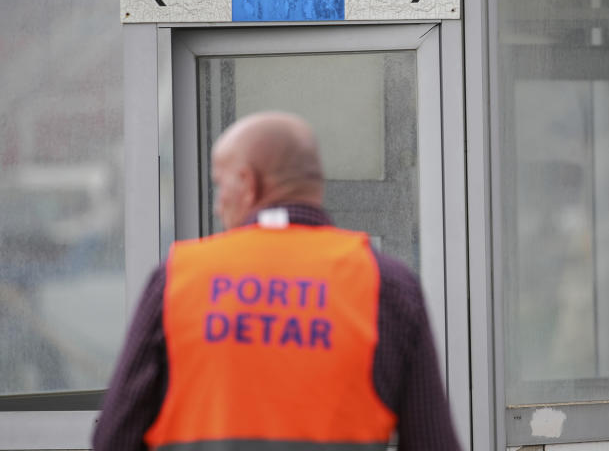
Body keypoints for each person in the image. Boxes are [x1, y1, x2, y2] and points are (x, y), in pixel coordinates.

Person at [93, 111, 461, 451]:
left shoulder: (177, 280)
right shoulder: (387, 287)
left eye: (220, 185)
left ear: (247, 183)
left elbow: (115, 438)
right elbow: (434, 442)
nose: (219, 204)